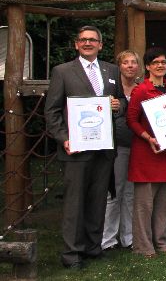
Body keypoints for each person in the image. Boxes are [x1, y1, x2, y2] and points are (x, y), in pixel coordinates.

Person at [45, 25, 124, 269]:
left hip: (104, 148)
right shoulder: (62, 71)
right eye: (83, 40)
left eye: (92, 40)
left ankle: (93, 247)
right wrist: (64, 139)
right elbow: (52, 111)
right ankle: (72, 254)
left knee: (98, 200)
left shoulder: (111, 70)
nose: (87, 43)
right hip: (76, 149)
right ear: (76, 44)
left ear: (100, 44)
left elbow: (121, 101)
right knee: (74, 204)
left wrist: (118, 105)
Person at [127, 47, 166, 258]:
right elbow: (131, 120)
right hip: (147, 154)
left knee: (165, 203)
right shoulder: (141, 90)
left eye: (163, 62)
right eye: (155, 62)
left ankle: (161, 242)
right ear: (147, 66)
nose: (160, 65)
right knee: (144, 205)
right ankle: (143, 246)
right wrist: (148, 137)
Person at [102, 50, 143, 251]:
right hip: (116, 147)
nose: (130, 66)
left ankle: (128, 237)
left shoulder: (141, 88)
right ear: (119, 66)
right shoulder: (109, 88)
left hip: (137, 146)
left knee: (130, 193)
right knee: (114, 192)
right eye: (125, 62)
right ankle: (108, 239)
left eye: (133, 62)